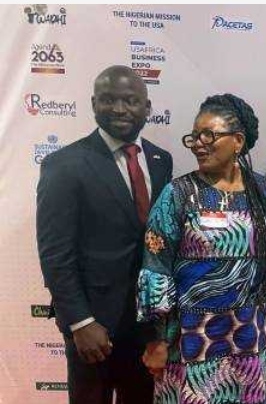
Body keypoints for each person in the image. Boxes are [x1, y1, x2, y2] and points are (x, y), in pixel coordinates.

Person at [36, 65, 173, 403]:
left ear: (147, 108)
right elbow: (55, 253)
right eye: (109, 100)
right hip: (93, 326)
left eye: (131, 101)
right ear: (94, 104)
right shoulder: (64, 164)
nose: (120, 109)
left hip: (145, 326)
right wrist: (80, 322)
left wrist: (161, 325)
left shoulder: (161, 160)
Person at [136, 94, 266, 404]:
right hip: (189, 343)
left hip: (250, 342)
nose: (198, 144)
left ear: (238, 140)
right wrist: (157, 340)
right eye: (194, 137)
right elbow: (156, 267)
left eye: (208, 135)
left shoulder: (265, 192)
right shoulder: (178, 194)